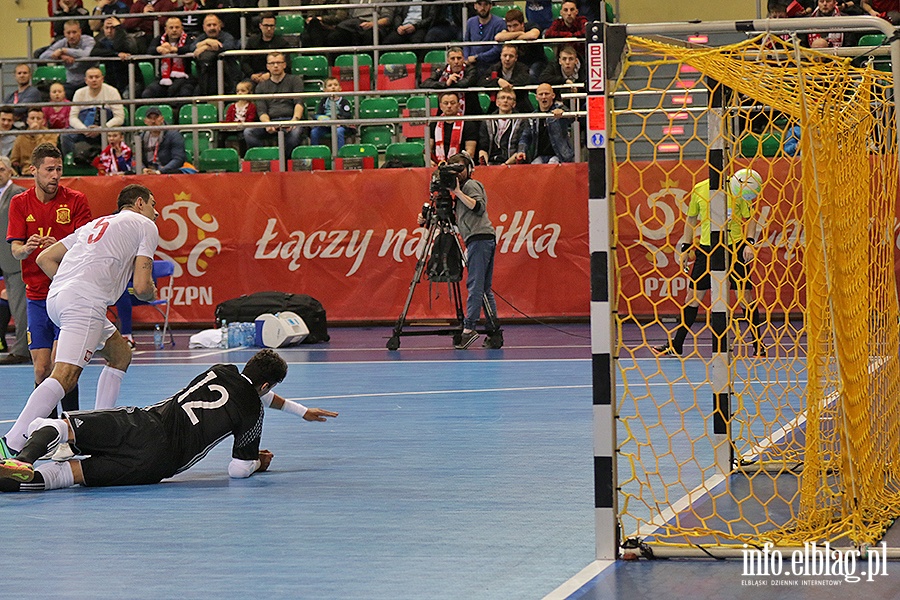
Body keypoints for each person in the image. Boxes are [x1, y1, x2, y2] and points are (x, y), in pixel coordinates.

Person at [0, 349, 338, 491]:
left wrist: (298, 409)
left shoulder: (220, 370)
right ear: (268, 385)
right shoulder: (253, 411)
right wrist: (257, 464)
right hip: (158, 462)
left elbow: (249, 389)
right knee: (67, 475)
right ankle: (23, 476)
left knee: (61, 427)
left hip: (143, 423)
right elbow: (236, 471)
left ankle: (21, 459)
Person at [1, 183, 159, 459]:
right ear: (139, 203)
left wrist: (72, 284)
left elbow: (45, 258)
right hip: (83, 303)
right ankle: (12, 442)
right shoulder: (144, 225)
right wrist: (151, 290)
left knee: (120, 354)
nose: (156, 213)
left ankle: (99, 431)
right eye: (153, 205)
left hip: (58, 297)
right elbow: (143, 288)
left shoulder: (98, 223)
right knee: (65, 376)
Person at [4, 144, 91, 429]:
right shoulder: (20, 203)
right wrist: (26, 249)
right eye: (49, 170)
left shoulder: (76, 200)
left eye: (59, 170)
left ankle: (71, 429)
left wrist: (61, 248)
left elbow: (87, 246)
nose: (55, 175)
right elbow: (15, 250)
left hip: (68, 295)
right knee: (42, 369)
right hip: (37, 296)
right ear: (34, 171)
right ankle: (48, 431)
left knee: (61, 367)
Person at [653, 169, 767, 358]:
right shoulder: (700, 189)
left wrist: (749, 243)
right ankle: (676, 345)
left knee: (745, 297)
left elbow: (751, 219)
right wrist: (686, 247)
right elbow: (690, 219)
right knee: (692, 297)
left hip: (735, 248)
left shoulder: (738, 188)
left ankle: (758, 346)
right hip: (707, 250)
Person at [418, 152, 502, 349]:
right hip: (479, 239)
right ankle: (494, 332)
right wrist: (427, 220)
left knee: (475, 285)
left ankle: (469, 328)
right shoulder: (460, 191)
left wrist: (457, 191)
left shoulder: (470, 186)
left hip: (480, 239)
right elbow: (456, 221)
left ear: (469, 170)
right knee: (483, 289)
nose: (458, 172)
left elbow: (478, 207)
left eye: (461, 168)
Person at [244, 52, 306, 155]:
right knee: (248, 132)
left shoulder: (295, 80)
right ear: (267, 66)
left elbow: (299, 103)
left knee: (295, 134)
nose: (276, 66)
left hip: (291, 119)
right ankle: (267, 158)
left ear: (284, 65)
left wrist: (294, 120)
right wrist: (268, 124)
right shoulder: (261, 86)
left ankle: (285, 162)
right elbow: (261, 110)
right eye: (272, 63)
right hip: (270, 120)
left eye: (279, 63)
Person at [0, 156, 28, 363]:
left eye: (1, 169)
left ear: (10, 171)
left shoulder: (16, 193)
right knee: (15, 305)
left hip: (15, 259)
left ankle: (22, 350)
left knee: (20, 307)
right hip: (5, 259)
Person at [62, 66, 126, 158]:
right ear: (86, 80)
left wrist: (101, 128)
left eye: (97, 77)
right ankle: (73, 161)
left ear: (102, 79)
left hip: (106, 130)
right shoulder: (79, 93)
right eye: (91, 77)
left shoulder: (112, 91)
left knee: (117, 134)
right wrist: (84, 130)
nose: (94, 80)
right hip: (84, 130)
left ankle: (113, 160)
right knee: (65, 136)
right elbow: (72, 118)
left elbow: (119, 118)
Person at [38, 20, 97, 99]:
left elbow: (87, 54)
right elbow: (43, 57)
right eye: (68, 33)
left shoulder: (88, 40)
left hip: (88, 83)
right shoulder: (62, 42)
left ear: (80, 31)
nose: (71, 36)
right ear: (64, 33)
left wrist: (65, 51)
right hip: (70, 83)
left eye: (74, 32)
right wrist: (61, 56)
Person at [142, 17, 197, 100]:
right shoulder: (159, 39)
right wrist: (158, 49)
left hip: (185, 78)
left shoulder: (188, 39)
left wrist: (176, 50)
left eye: (177, 27)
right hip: (163, 78)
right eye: (171, 28)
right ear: (166, 29)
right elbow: (149, 50)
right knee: (147, 93)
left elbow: (191, 48)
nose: (174, 30)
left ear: (182, 28)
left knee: (182, 92)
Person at [518, 83, 574, 164]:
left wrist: (563, 112)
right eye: (541, 94)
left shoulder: (559, 111)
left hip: (560, 156)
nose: (544, 97)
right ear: (537, 97)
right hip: (539, 156)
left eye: (546, 94)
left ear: (553, 96)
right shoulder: (533, 117)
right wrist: (521, 150)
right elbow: (526, 136)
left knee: (552, 164)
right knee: (534, 167)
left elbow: (571, 118)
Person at [190, 13, 240, 96]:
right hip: (205, 79)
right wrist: (207, 42)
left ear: (219, 26)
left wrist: (205, 47)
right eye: (209, 25)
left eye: (214, 25)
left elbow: (228, 46)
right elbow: (192, 48)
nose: (212, 28)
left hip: (227, 79)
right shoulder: (202, 37)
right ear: (204, 27)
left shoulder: (227, 36)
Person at [89, 15, 139, 96]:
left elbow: (118, 46)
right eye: (106, 28)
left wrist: (119, 28)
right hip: (112, 81)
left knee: (126, 96)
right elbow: (94, 52)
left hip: (131, 81)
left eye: (113, 28)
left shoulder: (129, 39)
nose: (109, 31)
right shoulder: (102, 40)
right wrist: (116, 54)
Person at [478, 86, 527, 165]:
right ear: (497, 102)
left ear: (514, 104)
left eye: (509, 98)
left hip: (511, 162)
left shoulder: (521, 120)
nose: (505, 101)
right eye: (503, 98)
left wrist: (505, 165)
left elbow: (520, 148)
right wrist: (485, 164)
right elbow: (483, 147)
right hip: (491, 161)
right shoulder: (487, 121)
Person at [429, 91, 478, 165]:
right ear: (441, 106)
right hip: (438, 164)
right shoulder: (433, 124)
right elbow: (427, 150)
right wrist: (430, 162)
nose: (449, 106)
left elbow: (470, 152)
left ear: (458, 105)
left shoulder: (469, 125)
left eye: (452, 103)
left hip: (460, 165)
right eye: (446, 103)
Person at [241, 12, 291, 86]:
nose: (269, 29)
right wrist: (252, 75)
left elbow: (287, 66)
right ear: (260, 26)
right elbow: (244, 62)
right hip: (254, 77)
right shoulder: (252, 41)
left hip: (276, 76)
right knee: (243, 88)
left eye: (271, 26)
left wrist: (270, 74)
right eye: (266, 25)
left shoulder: (282, 43)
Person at [495, 8, 545, 81]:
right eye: (509, 26)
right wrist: (520, 33)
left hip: (536, 62)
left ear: (522, 24)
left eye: (515, 25)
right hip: (518, 63)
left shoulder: (531, 25)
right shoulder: (507, 30)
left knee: (531, 73)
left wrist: (512, 37)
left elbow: (533, 35)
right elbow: (498, 37)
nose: (512, 29)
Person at [481, 44, 533, 110]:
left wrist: (505, 84)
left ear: (516, 57)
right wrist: (498, 81)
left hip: (519, 104)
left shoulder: (523, 68)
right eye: (505, 55)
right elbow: (482, 81)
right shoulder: (494, 68)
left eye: (511, 56)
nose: (507, 59)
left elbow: (524, 80)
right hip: (497, 106)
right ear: (500, 56)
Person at [10, 109, 60, 175]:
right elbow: (14, 159)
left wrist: (37, 134)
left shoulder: (51, 135)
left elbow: (48, 152)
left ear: (43, 121)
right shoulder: (21, 137)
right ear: (27, 121)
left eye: (38, 118)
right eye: (32, 118)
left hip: (46, 172)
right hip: (26, 172)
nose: (35, 121)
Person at [463, 0, 506, 77]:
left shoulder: (499, 23)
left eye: (486, 4)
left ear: (490, 6)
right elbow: (466, 43)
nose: (483, 8)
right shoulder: (470, 22)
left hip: (492, 64)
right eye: (480, 4)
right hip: (473, 65)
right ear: (475, 6)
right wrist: (466, 58)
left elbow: (498, 49)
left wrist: (477, 57)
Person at [140, 106, 187, 174]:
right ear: (145, 121)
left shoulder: (174, 135)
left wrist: (160, 171)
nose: (153, 121)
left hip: (167, 171)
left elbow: (178, 159)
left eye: (156, 118)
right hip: (148, 171)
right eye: (150, 118)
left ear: (162, 119)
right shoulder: (141, 137)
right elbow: (135, 158)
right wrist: (142, 169)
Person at [311, 77, 354, 150]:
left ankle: (340, 153)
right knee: (314, 132)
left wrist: (338, 120)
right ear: (325, 90)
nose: (333, 87)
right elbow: (319, 113)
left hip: (339, 125)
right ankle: (315, 153)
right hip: (326, 125)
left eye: (335, 85)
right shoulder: (323, 101)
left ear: (340, 88)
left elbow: (347, 114)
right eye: (330, 85)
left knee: (339, 132)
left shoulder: (344, 102)